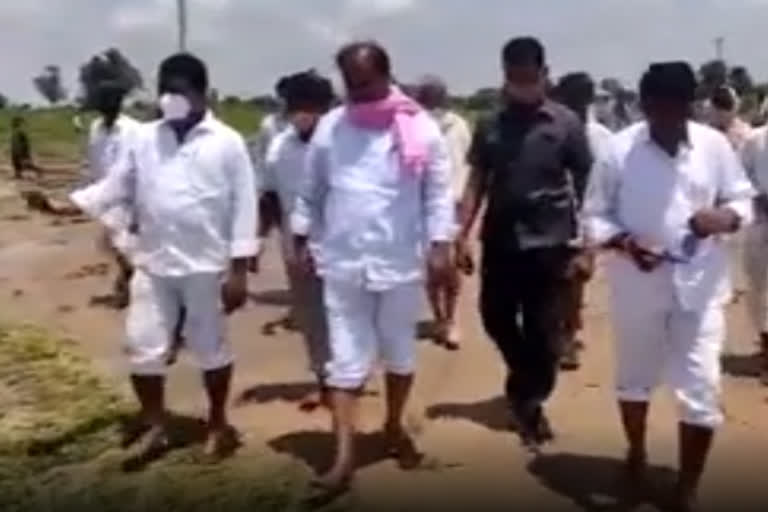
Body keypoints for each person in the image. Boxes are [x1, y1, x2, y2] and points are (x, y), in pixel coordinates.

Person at [70, 53, 259, 459]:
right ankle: (155, 423)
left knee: (210, 348)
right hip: (154, 262)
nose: (171, 101)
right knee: (143, 345)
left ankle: (217, 422)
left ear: (200, 93)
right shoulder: (144, 138)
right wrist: (67, 205)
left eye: (180, 92)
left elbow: (245, 207)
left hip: (206, 265)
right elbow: (114, 186)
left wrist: (240, 269)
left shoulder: (226, 142)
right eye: (165, 93)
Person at [583, 62, 754, 511]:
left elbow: (742, 198)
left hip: (701, 288)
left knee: (701, 387)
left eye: (678, 110)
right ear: (644, 106)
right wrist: (624, 241)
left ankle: (687, 487)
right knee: (635, 380)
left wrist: (727, 217)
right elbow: (594, 215)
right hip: (637, 285)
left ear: (691, 106)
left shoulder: (714, 146)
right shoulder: (618, 151)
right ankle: (636, 453)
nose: (669, 120)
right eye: (659, 110)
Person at [291, 41, 454, 497]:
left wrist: (441, 245)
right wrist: (302, 237)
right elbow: (312, 189)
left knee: (400, 354)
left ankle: (393, 424)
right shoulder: (332, 126)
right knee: (345, 362)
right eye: (350, 83)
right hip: (342, 261)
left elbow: (438, 194)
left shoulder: (420, 127)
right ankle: (343, 458)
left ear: (386, 74)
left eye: (365, 82)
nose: (358, 92)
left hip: (399, 261)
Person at [456, 37, 593, 450]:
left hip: (550, 242)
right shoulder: (490, 125)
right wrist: (459, 234)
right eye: (515, 78)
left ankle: (530, 403)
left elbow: (588, 184)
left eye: (529, 78)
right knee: (494, 318)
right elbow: (477, 180)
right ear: (505, 77)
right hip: (500, 238)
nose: (522, 85)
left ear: (544, 75)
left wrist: (587, 242)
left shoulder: (566, 124)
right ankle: (525, 379)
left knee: (545, 332)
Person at [263, 71, 335, 411]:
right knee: (311, 319)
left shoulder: (342, 143)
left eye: (306, 107)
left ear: (324, 108)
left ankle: (347, 383)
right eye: (293, 108)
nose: (299, 114)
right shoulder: (281, 145)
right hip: (297, 248)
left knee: (344, 318)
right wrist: (258, 240)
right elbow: (272, 195)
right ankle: (325, 383)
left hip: (341, 247)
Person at [551, 72, 614, 371]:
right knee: (555, 284)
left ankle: (568, 335)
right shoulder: (549, 129)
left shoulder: (601, 138)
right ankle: (562, 331)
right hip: (550, 219)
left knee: (574, 280)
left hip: (582, 221)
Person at [414, 74, 472, 351]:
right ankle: (438, 316)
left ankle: (451, 318)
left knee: (449, 267)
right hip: (421, 205)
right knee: (430, 267)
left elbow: (468, 165)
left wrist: (466, 208)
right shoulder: (414, 127)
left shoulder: (458, 125)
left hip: (453, 203)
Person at [85, 82, 142, 309]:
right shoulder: (96, 128)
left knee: (128, 245)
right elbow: (93, 160)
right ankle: (128, 280)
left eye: (113, 100)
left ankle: (132, 287)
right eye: (104, 100)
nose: (109, 105)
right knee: (114, 245)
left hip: (130, 196)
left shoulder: (134, 130)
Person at [708, 85, 753, 304]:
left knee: (738, 241)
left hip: (740, 193)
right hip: (715, 193)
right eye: (719, 107)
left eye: (725, 106)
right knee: (718, 241)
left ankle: (738, 284)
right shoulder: (707, 135)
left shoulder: (746, 133)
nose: (721, 112)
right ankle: (722, 283)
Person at [741, 124, 768, 386]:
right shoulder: (755, 140)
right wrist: (758, 198)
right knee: (761, 291)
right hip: (762, 223)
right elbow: (738, 178)